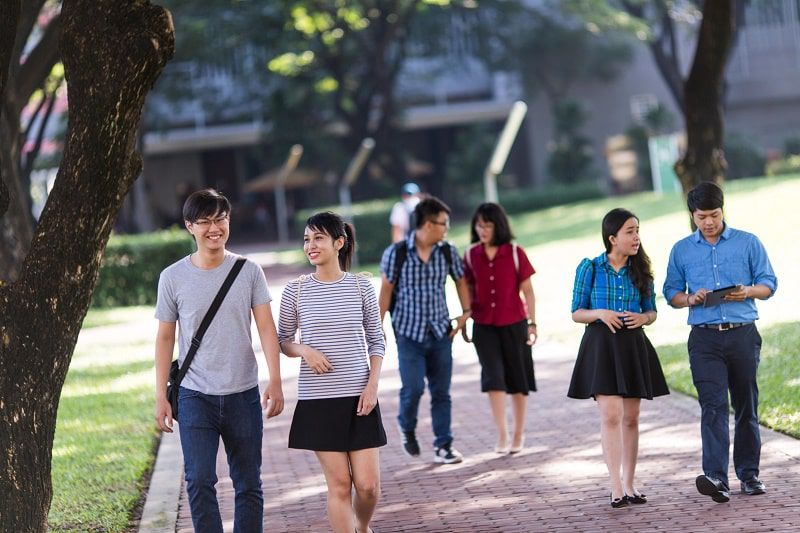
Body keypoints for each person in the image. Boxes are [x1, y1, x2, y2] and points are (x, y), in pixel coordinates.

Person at [154, 188, 284, 533]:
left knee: (248, 483)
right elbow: (165, 337)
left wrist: (276, 379)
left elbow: (267, 329)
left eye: (220, 218)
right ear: (189, 227)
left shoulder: (249, 270)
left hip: (243, 392)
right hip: (195, 395)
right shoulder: (172, 277)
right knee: (198, 481)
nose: (215, 228)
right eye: (205, 221)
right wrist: (159, 397)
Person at [663, 181, 777, 504]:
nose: (708, 222)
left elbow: (769, 283)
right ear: (692, 216)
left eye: (714, 214)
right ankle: (716, 478)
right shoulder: (682, 250)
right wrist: (690, 298)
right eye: (701, 217)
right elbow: (670, 293)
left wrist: (748, 292)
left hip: (742, 333)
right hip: (704, 339)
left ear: (722, 210)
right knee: (712, 406)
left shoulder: (747, 243)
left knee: (745, 404)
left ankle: (749, 475)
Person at [278, 211, 386, 533]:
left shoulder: (361, 286)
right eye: (307, 239)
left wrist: (372, 385)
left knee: (368, 487)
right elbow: (283, 340)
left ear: (339, 243)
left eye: (319, 238)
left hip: (359, 397)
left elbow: (377, 340)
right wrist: (304, 350)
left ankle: (362, 526)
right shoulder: (295, 291)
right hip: (319, 401)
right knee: (339, 486)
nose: (310, 245)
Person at [567, 208, 669, 508]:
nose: (636, 237)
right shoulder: (590, 268)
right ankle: (615, 487)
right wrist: (599, 313)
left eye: (637, 229)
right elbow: (576, 311)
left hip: (632, 345)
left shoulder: (642, 270)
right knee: (611, 416)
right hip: (601, 346)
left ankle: (630, 483)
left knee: (632, 418)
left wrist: (644, 318)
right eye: (629, 231)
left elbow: (652, 311)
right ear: (612, 238)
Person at [379, 196, 471, 464]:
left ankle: (444, 445)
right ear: (428, 224)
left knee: (442, 392)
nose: (446, 228)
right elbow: (385, 292)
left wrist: (466, 313)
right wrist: (378, 327)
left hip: (441, 332)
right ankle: (406, 425)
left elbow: (460, 281)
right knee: (414, 388)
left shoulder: (447, 251)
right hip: (409, 334)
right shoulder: (396, 253)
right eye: (443, 223)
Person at [462, 202, 537, 454]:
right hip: (484, 326)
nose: (482, 230)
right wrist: (466, 314)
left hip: (515, 323)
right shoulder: (471, 255)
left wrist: (532, 323)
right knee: (494, 379)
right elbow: (466, 288)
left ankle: (518, 434)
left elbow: (528, 291)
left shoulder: (516, 252)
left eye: (488, 225)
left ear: (498, 226)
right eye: (479, 225)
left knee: (518, 379)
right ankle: (502, 434)